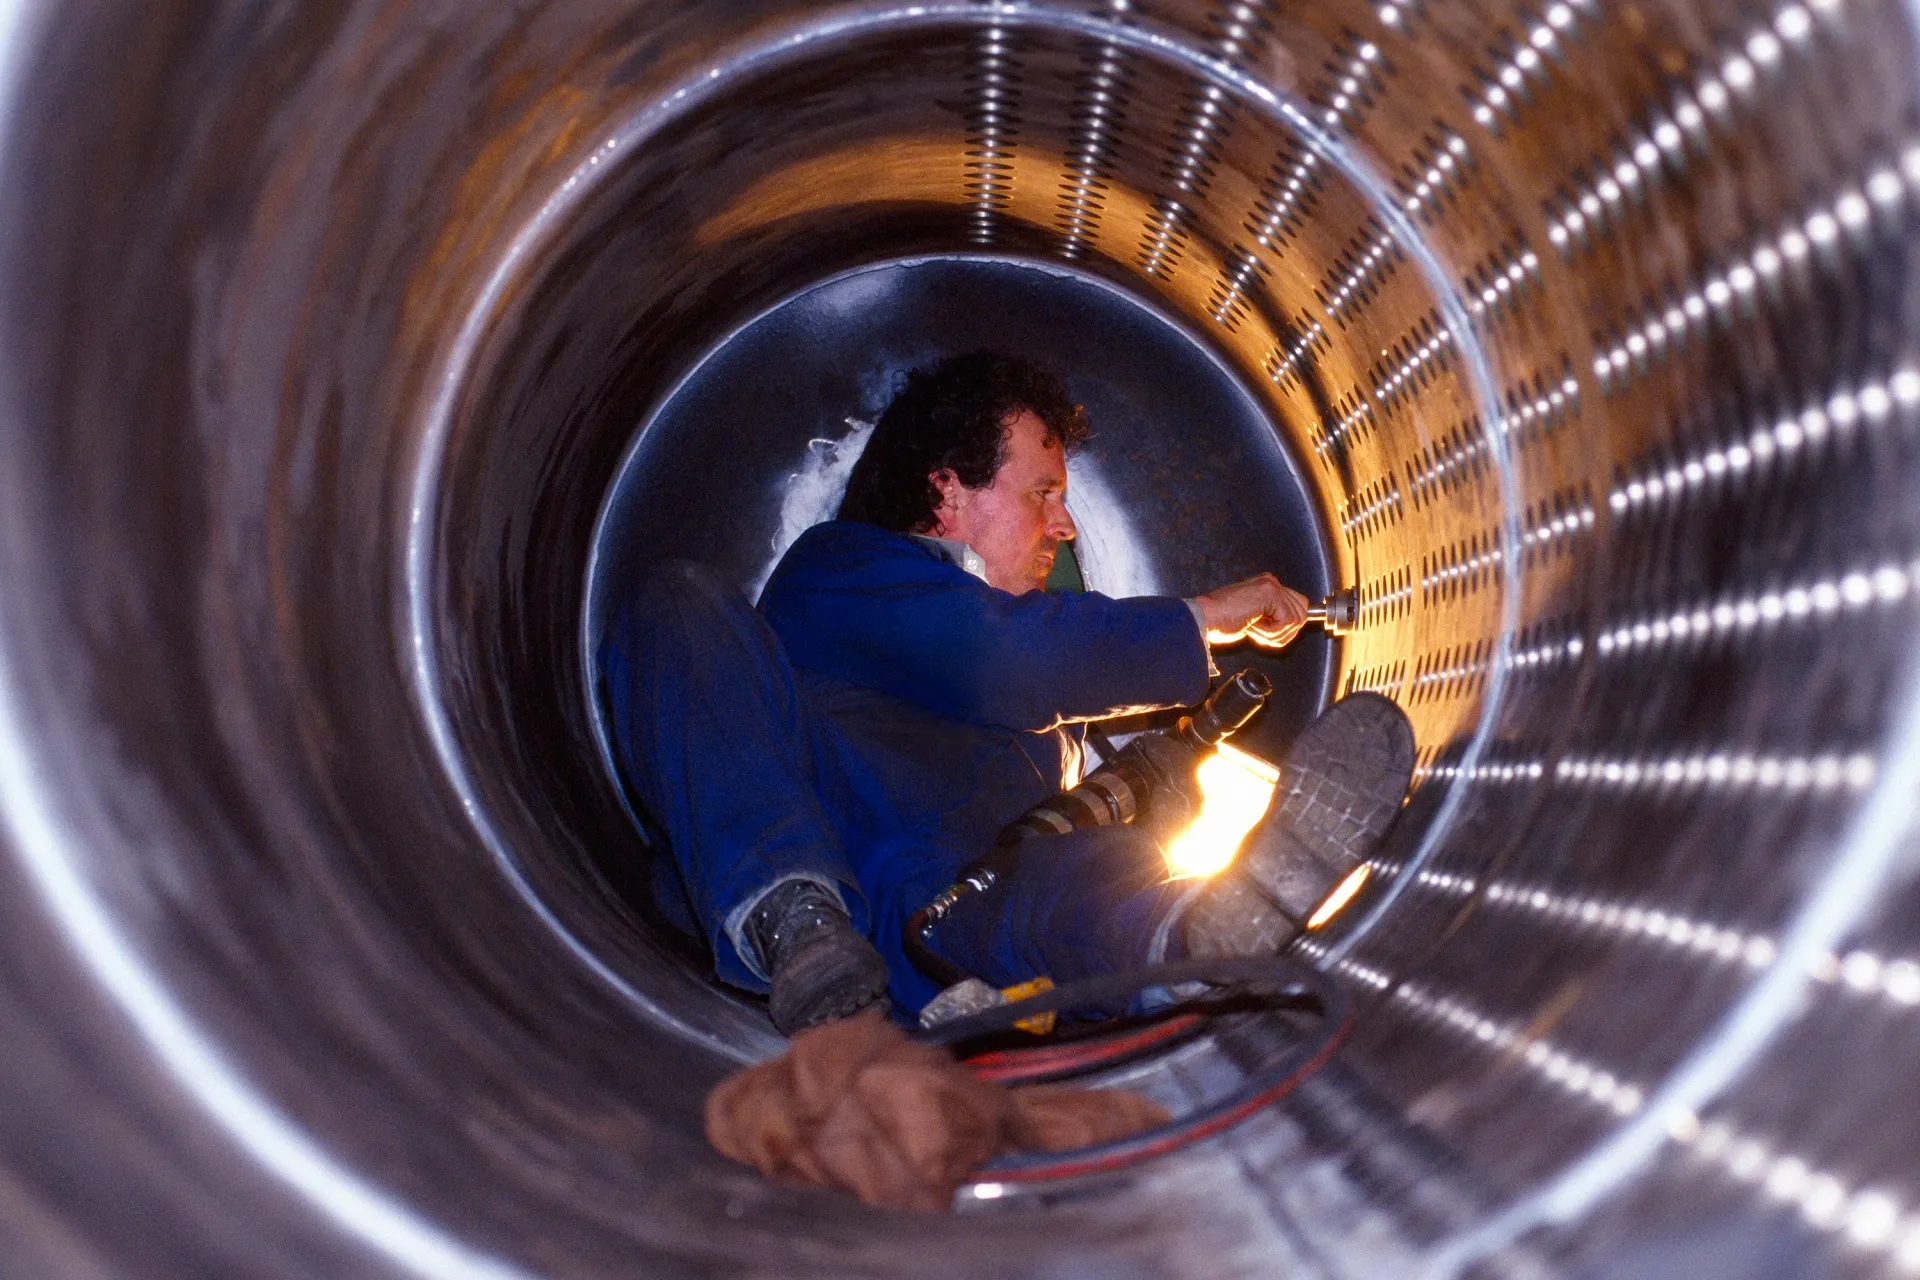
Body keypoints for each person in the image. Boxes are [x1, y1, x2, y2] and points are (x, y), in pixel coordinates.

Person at [599, 352, 1412, 1033]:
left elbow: (1042, 778)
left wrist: (1150, 799)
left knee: (1071, 873)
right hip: (825, 887)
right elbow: (1003, 662)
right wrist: (1202, 620)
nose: (1063, 525)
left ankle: (1188, 939)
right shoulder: (842, 569)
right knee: (678, 604)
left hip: (962, 931)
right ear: (948, 493)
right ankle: (792, 917)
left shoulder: (1053, 744)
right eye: (1041, 493)